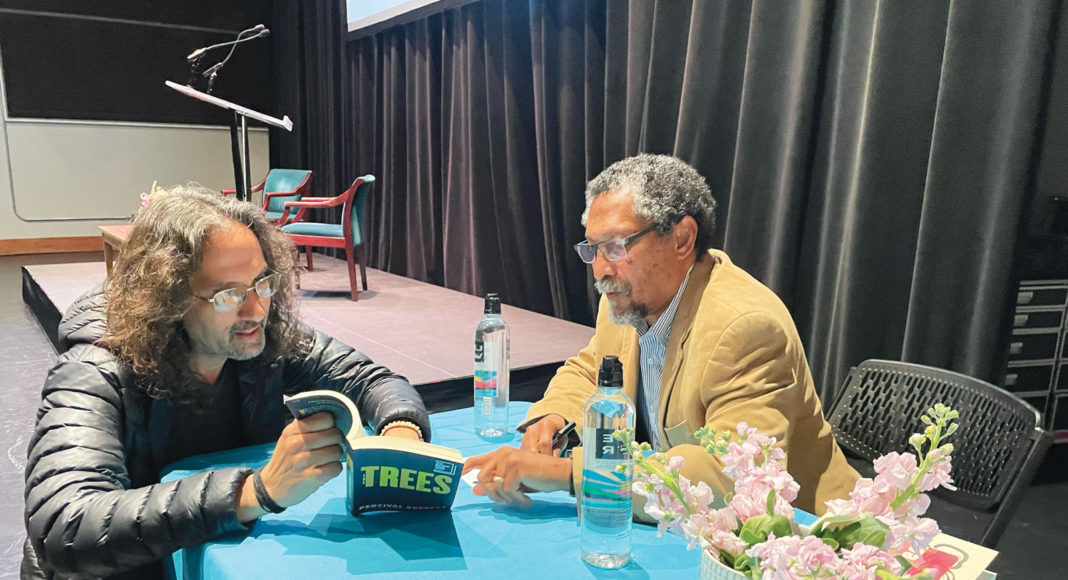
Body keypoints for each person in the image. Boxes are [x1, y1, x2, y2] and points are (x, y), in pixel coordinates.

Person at [22, 187, 431, 580]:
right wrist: (257, 491)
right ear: (169, 298)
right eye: (228, 295)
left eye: (263, 284)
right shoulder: (94, 368)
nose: (255, 310)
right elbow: (65, 527)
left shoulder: (262, 335)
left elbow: (367, 378)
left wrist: (401, 431)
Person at [464, 154, 858, 516]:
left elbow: (733, 478)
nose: (599, 269)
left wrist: (569, 473)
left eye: (616, 247)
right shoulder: (626, 298)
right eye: (593, 249)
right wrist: (553, 418)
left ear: (682, 238)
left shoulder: (745, 327)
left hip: (800, 542)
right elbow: (589, 370)